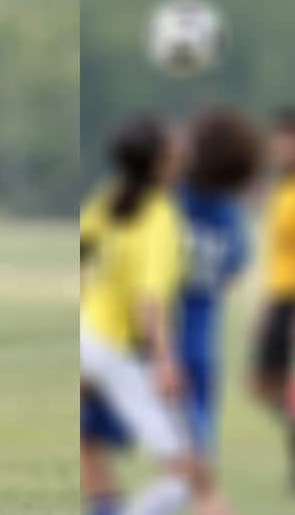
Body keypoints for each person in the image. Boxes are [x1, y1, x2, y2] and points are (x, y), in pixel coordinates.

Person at [81, 110, 262, 515]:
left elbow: (139, 281)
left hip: (147, 349)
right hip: (193, 356)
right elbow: (233, 271)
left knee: (89, 438)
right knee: (197, 476)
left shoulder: (164, 205)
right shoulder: (230, 220)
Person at [80, 115, 193, 515]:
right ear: (159, 161)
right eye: (173, 149)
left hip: (88, 338)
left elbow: (83, 253)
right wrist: (166, 363)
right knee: (183, 474)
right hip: (117, 350)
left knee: (87, 439)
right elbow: (150, 302)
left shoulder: (107, 197)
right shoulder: (160, 215)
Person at [250, 108, 295, 492]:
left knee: (289, 387)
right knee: (262, 385)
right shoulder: (279, 186)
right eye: (277, 139)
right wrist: (265, 305)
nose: (281, 146)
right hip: (278, 298)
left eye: (288, 139)